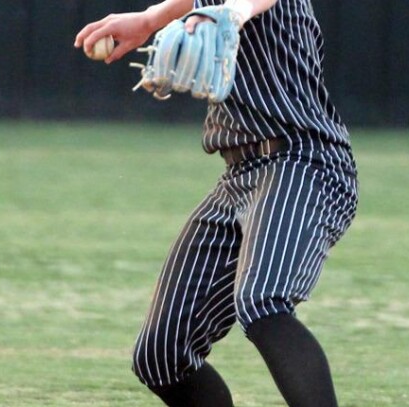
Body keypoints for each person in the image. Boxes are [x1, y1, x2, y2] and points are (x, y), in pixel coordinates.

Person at [75, 0, 358, 406]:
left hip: (304, 162)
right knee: (160, 356)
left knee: (263, 301)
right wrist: (152, 19)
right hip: (239, 175)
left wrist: (234, 13)